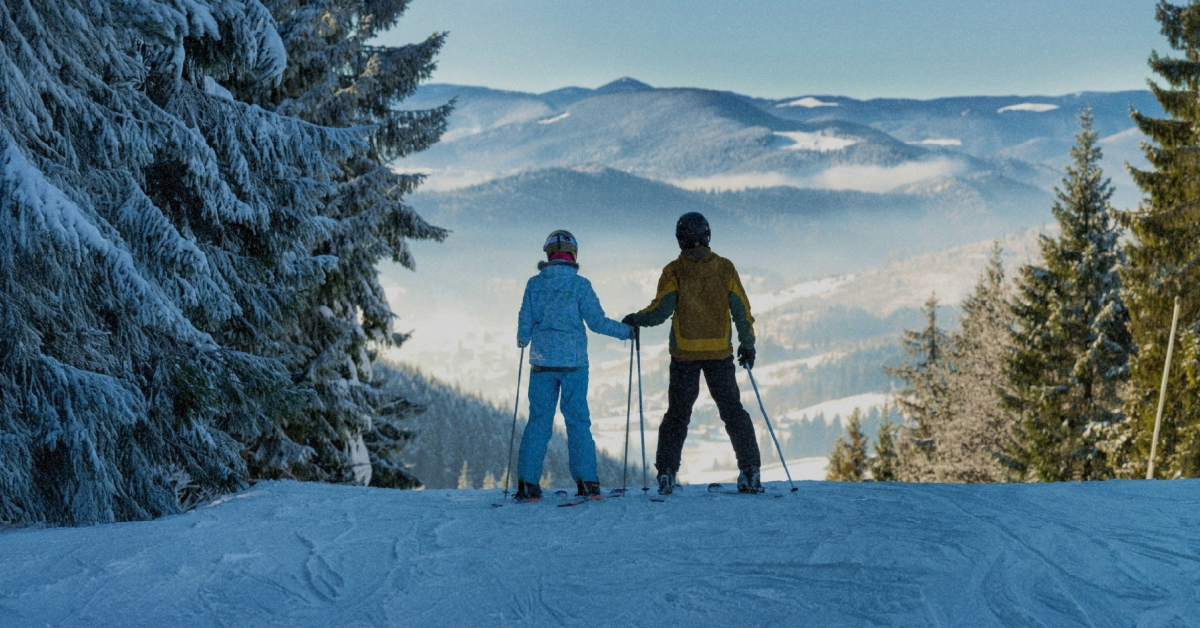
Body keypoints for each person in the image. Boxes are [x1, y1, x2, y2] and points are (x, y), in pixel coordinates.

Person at [622, 212, 763, 495]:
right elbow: (741, 310)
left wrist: (636, 319)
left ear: (680, 239)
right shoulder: (725, 268)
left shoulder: (674, 270)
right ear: (708, 236)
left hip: (684, 354)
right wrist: (747, 344)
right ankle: (750, 471)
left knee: (677, 414)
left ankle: (666, 473)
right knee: (733, 411)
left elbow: (660, 311)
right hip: (719, 354)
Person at [515, 230, 634, 501]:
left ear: (548, 254)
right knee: (578, 422)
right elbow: (597, 322)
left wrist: (523, 339)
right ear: (573, 254)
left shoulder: (534, 284)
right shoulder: (581, 285)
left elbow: (525, 323)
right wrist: (627, 332)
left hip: (542, 363)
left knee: (538, 422)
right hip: (574, 363)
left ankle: (527, 484)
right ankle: (587, 482)